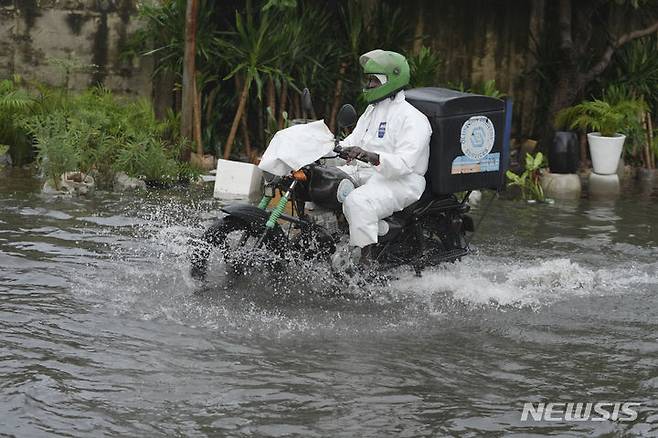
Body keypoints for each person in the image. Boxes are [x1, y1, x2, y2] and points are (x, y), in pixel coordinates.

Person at [333, 49, 432, 268]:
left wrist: (370, 156)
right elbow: (353, 140)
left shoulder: (413, 119)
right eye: (368, 80)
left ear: (393, 79)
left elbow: (405, 164)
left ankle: (364, 266)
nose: (368, 86)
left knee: (358, 201)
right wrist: (332, 148)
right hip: (368, 173)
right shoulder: (372, 110)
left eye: (374, 81)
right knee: (325, 181)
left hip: (401, 181)